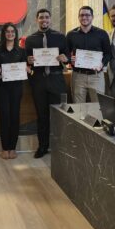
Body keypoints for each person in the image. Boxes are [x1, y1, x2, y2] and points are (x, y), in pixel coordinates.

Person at [25, 9, 69, 159]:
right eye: (41, 17)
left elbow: (68, 55)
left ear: (50, 19)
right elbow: (26, 60)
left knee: (59, 115)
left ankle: (60, 146)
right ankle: (42, 146)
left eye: (47, 17)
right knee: (42, 116)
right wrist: (28, 61)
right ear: (36, 20)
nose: (44, 20)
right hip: (38, 80)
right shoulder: (30, 39)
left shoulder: (60, 37)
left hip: (56, 80)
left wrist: (65, 58)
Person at [0, 22, 28, 160]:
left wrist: (28, 69)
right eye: (7, 32)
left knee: (15, 116)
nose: (10, 34)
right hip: (1, 88)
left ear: (16, 34)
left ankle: (12, 148)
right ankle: (4, 148)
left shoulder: (21, 51)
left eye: (12, 32)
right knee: (4, 116)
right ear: (4, 34)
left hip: (16, 88)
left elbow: (27, 68)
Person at [66, 5, 111, 103]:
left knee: (98, 107)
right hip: (78, 76)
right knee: (79, 108)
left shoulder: (102, 34)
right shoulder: (71, 34)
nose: (84, 17)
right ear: (78, 17)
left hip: (96, 76)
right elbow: (66, 53)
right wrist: (70, 59)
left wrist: (102, 64)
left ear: (92, 17)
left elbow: (108, 54)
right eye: (81, 15)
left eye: (87, 15)